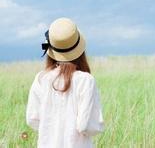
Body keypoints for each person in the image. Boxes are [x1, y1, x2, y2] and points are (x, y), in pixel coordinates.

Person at [26, 17, 105, 148]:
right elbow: (86, 126)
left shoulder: (41, 79)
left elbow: (32, 119)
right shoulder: (85, 80)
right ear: (80, 50)